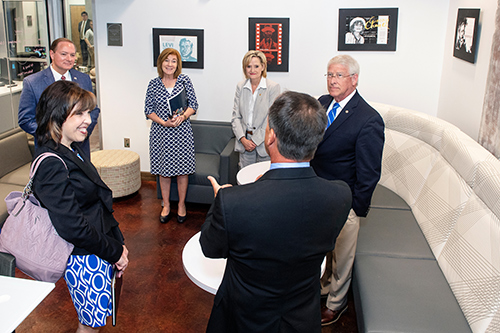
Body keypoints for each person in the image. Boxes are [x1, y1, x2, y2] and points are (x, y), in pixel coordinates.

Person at [200, 91, 352, 333]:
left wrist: (220, 202)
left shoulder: (233, 202)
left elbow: (210, 248)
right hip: (302, 320)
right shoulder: (340, 196)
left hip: (243, 321)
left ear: (271, 136)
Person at [32, 80, 129, 333]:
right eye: (79, 113)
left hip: (97, 248)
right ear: (56, 115)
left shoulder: (71, 149)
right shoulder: (51, 163)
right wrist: (114, 251)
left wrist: (117, 243)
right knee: (89, 327)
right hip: (83, 257)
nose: (88, 119)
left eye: (88, 112)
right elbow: (73, 227)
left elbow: (95, 203)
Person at [310, 55, 384, 326]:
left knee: (342, 257)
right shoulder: (322, 102)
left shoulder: (368, 119)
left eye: (338, 75)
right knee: (326, 250)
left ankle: (336, 304)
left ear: (354, 79)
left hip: (344, 200)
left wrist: (355, 207)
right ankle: (324, 287)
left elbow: (369, 172)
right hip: (319, 193)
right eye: (329, 74)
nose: (332, 80)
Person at [18, 37, 99, 159]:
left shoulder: (83, 79)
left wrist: (84, 131)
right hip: (50, 150)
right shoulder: (33, 82)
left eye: (72, 55)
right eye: (64, 54)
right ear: (52, 54)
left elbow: (93, 110)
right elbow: (25, 119)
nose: (69, 59)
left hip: (80, 149)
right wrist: (54, 135)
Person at [144, 48, 198, 224]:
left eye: (173, 61)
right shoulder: (153, 84)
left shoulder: (184, 80)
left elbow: (194, 105)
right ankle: (166, 205)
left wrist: (183, 116)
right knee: (164, 172)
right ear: (161, 63)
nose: (170, 64)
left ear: (178, 64)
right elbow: (148, 110)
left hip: (182, 133)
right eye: (166, 60)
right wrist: (163, 122)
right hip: (161, 133)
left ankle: (181, 205)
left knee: (182, 172)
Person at [231, 50, 280, 168]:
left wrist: (254, 141)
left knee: (263, 181)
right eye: (249, 66)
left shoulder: (273, 87)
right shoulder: (241, 86)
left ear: (263, 67)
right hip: (244, 143)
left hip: (264, 143)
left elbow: (271, 119)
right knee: (245, 181)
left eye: (256, 66)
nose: (252, 70)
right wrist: (243, 139)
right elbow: (235, 117)